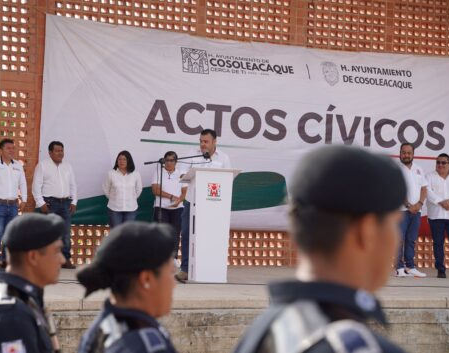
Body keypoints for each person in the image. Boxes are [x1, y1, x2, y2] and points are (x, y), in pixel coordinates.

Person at [233, 145, 408, 353]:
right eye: (394, 224)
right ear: (367, 230)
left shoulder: (260, 331)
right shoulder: (357, 347)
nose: (396, 238)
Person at [76, 221, 177, 353]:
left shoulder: (99, 329)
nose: (174, 284)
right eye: (170, 273)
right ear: (146, 279)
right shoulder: (144, 345)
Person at [0, 213, 66, 353]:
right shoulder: (11, 317)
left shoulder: (13, 297)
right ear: (33, 257)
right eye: (57, 251)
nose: (62, 260)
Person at [176, 129, 231, 282]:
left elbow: (228, 179)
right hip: (191, 201)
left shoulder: (224, 158)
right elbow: (181, 173)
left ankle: (211, 269)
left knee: (212, 236)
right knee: (186, 233)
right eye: (201, 141)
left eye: (206, 141)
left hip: (214, 205)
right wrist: (188, 174)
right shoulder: (192, 154)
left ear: (214, 142)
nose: (202, 144)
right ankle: (185, 269)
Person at [0, 138, 28, 269]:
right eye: (8, 148)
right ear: (1, 150)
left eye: (13, 148)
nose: (11, 150)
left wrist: (24, 199)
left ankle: (6, 259)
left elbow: (23, 183)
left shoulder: (18, 165)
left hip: (13, 205)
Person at [32, 141, 78, 269]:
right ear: (50, 153)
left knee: (66, 233)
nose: (60, 153)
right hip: (50, 203)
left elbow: (73, 185)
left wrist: (74, 202)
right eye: (57, 151)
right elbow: (36, 186)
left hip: (66, 203)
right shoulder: (43, 165)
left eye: (61, 150)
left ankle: (65, 260)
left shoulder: (68, 166)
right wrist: (41, 203)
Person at [425, 153, 449, 279]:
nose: (440, 165)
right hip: (436, 216)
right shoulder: (429, 176)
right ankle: (440, 270)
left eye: (443, 162)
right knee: (438, 243)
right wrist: (441, 202)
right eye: (438, 162)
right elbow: (427, 192)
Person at [395, 143, 427, 277]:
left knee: (411, 239)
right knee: (399, 239)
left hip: (417, 211)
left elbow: (424, 188)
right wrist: (409, 205)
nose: (406, 155)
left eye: (409, 153)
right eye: (404, 152)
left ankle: (410, 267)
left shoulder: (419, 169)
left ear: (413, 154)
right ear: (400, 153)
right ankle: (399, 268)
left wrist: (419, 204)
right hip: (401, 210)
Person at [151, 151, 186, 259]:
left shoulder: (181, 173)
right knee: (161, 235)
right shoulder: (159, 172)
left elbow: (185, 191)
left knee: (175, 235)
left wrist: (178, 201)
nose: (169, 163)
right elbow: (155, 190)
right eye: (167, 160)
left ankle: (173, 260)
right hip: (161, 208)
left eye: (171, 160)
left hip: (177, 208)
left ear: (176, 162)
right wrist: (171, 197)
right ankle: (160, 260)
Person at [103, 150, 143, 228]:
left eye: (124, 159)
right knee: (116, 233)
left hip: (131, 208)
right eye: (119, 159)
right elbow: (105, 188)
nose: (121, 161)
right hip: (114, 209)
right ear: (117, 161)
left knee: (127, 234)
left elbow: (139, 189)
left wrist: (131, 199)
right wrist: (114, 198)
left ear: (129, 160)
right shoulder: (111, 173)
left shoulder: (135, 174)